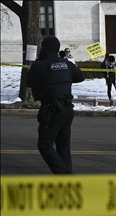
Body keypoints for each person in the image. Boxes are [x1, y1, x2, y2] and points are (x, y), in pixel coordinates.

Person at [26, 36, 85, 174]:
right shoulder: (67, 64)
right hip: (67, 110)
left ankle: (66, 175)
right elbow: (80, 77)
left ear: (45, 49)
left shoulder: (40, 65)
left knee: (45, 145)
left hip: (52, 110)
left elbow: (28, 81)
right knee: (63, 147)